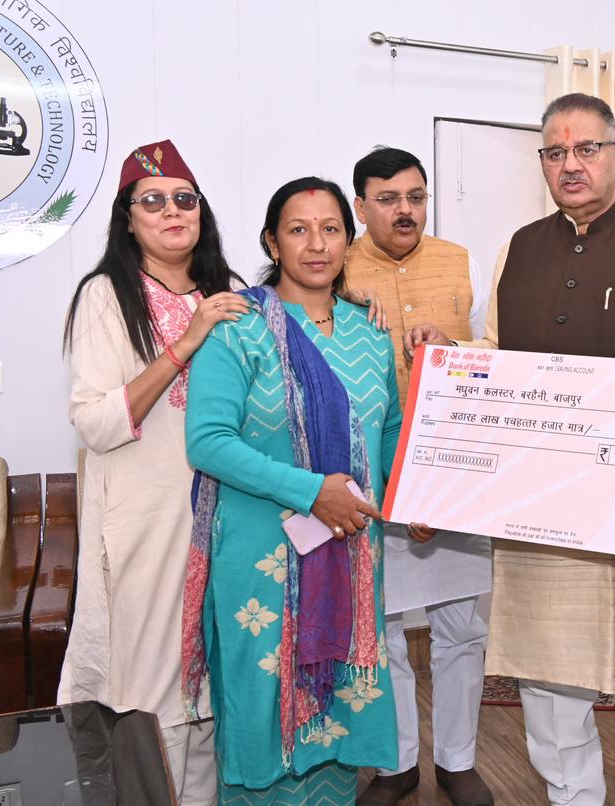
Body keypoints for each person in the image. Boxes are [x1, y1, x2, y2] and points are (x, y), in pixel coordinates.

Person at [408, 93, 615, 806]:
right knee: (546, 676)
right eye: (555, 153)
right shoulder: (519, 247)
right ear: (542, 164)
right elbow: (496, 354)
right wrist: (453, 355)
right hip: (537, 506)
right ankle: (572, 797)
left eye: (587, 149)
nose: (571, 164)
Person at [183, 177, 402, 803]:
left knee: (337, 722)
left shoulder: (367, 331)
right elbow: (209, 442)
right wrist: (312, 492)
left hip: (351, 553)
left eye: (331, 229)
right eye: (298, 229)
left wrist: (410, 505)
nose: (316, 244)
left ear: (348, 240)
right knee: (263, 713)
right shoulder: (239, 327)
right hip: (261, 559)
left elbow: (384, 433)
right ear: (271, 243)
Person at [60, 139, 248, 805]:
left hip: (235, 519)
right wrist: (186, 341)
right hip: (148, 522)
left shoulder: (231, 295)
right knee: (160, 685)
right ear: (128, 218)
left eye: (184, 199)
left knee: (229, 675)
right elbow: (98, 423)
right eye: (153, 201)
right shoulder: (106, 297)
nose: (172, 211)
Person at [345, 146, 494, 806]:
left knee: (462, 624)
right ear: (361, 205)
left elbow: (494, 357)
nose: (405, 210)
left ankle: (458, 760)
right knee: (384, 627)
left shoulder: (457, 260)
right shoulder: (335, 268)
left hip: (454, 467)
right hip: (370, 475)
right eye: (388, 198)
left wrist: (457, 349)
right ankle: (398, 761)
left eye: (416, 197)